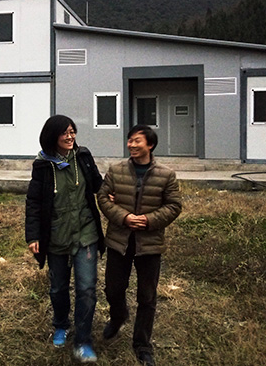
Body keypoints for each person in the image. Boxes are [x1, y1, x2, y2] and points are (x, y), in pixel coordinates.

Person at [97, 124, 182, 366]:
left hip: (149, 244)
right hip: (118, 240)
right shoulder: (116, 170)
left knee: (147, 296)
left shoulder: (166, 174)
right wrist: (123, 217)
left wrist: (148, 220)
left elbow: (174, 206)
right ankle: (118, 316)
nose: (132, 145)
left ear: (150, 145)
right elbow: (103, 197)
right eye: (130, 140)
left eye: (137, 141)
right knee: (113, 289)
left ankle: (142, 344)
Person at [25, 114, 105, 363]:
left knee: (87, 289)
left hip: (85, 233)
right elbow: (34, 203)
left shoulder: (83, 157)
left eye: (73, 131)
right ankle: (61, 324)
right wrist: (33, 235)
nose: (70, 136)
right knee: (58, 287)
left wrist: (111, 195)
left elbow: (97, 185)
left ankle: (83, 340)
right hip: (56, 235)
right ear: (52, 136)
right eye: (65, 133)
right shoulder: (42, 166)